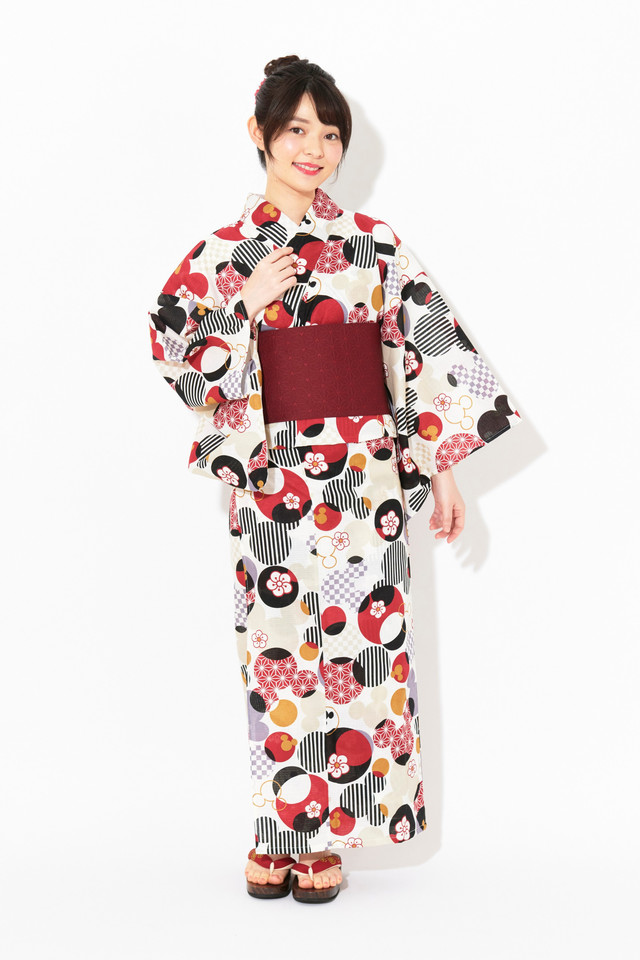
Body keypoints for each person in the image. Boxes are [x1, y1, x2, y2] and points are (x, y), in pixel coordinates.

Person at [148, 54, 522, 904]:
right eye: (295, 130)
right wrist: (242, 304)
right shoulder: (224, 251)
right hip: (273, 479)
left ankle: (325, 839)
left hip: (365, 475)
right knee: (277, 647)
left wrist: (444, 470)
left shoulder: (374, 243)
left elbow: (421, 347)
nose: (313, 148)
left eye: (328, 133)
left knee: (363, 651)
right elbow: (175, 352)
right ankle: (278, 829)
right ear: (259, 134)